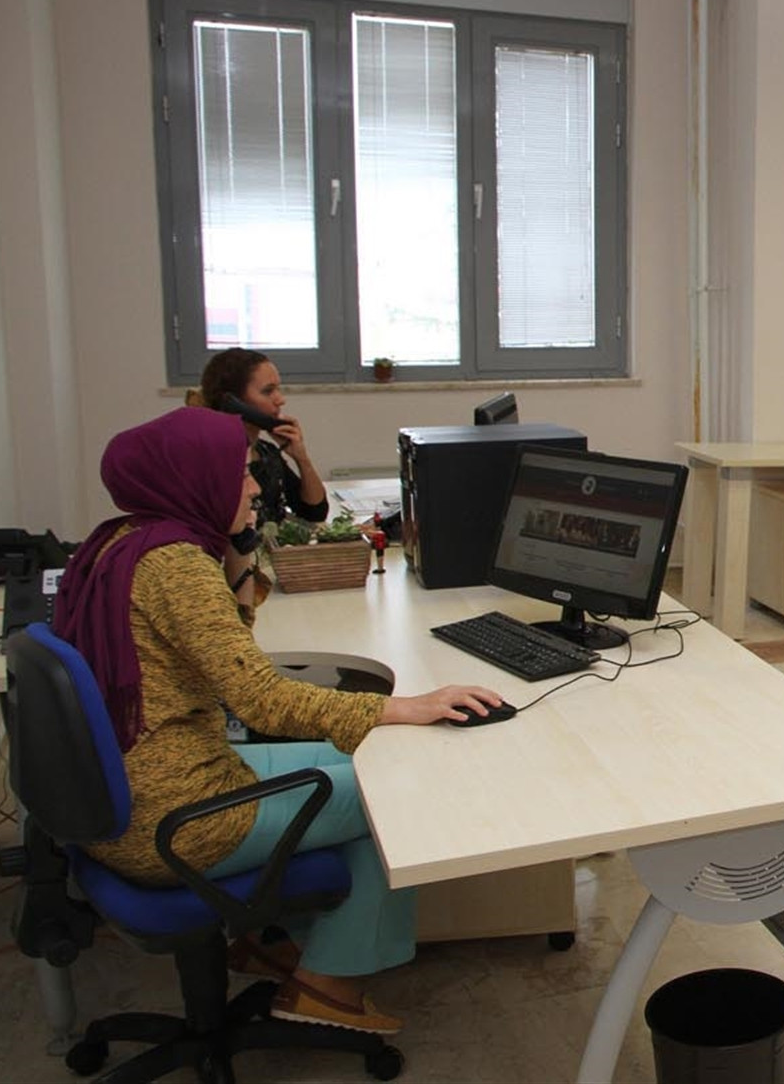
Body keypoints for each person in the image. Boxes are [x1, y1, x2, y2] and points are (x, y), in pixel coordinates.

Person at [52, 408, 503, 1034]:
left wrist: (237, 552)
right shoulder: (175, 565)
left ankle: (277, 945)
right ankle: (328, 987)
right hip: (175, 815)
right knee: (393, 789)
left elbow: (228, 645)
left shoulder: (124, 539)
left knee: (376, 757)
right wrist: (406, 706)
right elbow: (259, 699)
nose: (254, 488)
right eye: (239, 473)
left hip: (129, 791)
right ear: (195, 478)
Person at [196, 348, 330, 527]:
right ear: (233, 402)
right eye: (268, 391)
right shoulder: (217, 460)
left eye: (278, 389)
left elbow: (315, 513)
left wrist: (301, 458)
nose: (280, 400)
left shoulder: (266, 452)